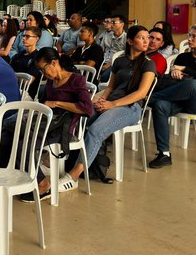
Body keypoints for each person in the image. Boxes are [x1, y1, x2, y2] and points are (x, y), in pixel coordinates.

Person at [62, 26, 156, 188]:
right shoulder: (120, 61)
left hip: (130, 107)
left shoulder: (148, 64)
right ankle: (59, 160)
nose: (147, 41)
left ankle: (74, 176)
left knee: (96, 130)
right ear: (130, 41)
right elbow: (111, 87)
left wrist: (112, 104)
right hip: (111, 102)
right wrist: (101, 100)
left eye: (147, 38)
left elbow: (141, 94)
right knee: (76, 119)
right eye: (142, 38)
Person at [17, 48, 94, 199]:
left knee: (24, 145)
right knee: (9, 137)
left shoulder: (76, 80)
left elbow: (87, 109)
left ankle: (43, 184)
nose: (42, 74)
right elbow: (44, 104)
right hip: (48, 124)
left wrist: (58, 103)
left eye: (43, 69)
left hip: (63, 128)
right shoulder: (51, 82)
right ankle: (21, 178)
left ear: (53, 63)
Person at [148, 24, 196, 168]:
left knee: (194, 85)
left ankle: (148, 99)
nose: (189, 38)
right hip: (182, 99)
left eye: (193, 36)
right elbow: (173, 79)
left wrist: (186, 70)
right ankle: (164, 154)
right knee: (160, 106)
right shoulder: (183, 57)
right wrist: (175, 74)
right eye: (189, 35)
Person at [98, 14, 127, 82]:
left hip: (116, 64)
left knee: (104, 77)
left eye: (113, 22)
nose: (111, 24)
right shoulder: (107, 35)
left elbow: (125, 55)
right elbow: (101, 49)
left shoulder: (126, 38)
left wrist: (110, 64)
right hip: (104, 60)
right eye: (111, 22)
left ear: (122, 24)